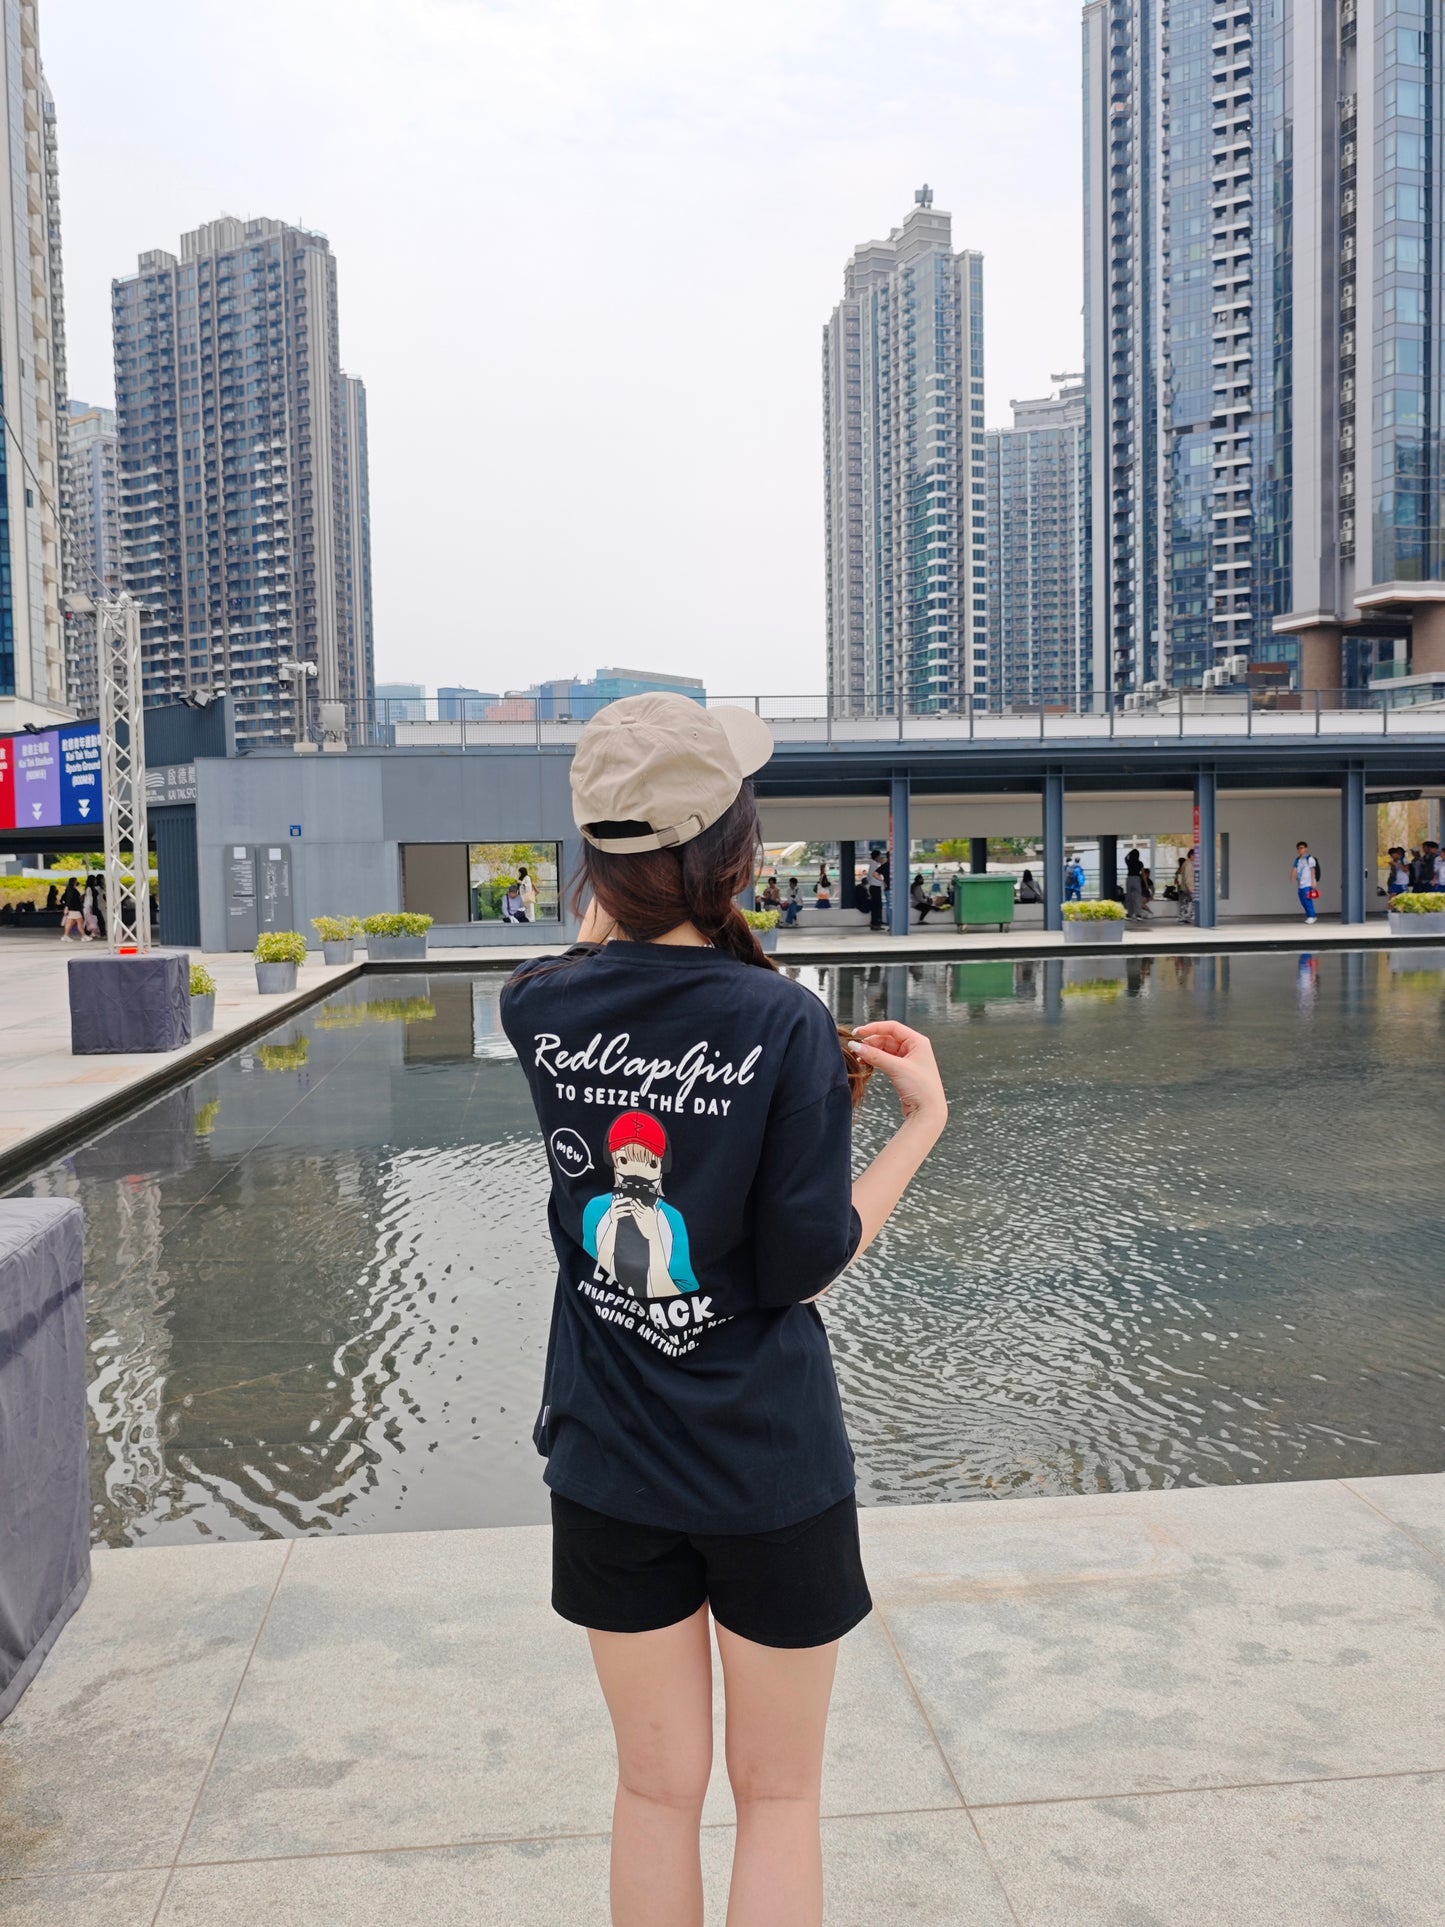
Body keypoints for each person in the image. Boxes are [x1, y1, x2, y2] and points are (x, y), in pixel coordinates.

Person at [498, 692, 948, 1927]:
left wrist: (630, 886)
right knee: (779, 1798)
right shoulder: (781, 1021)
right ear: (735, 855)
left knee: (652, 1791)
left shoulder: (535, 1004)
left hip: (607, 1458)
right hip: (764, 1465)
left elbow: (601, 950)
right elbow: (805, 1263)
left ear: (596, 860)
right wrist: (920, 1121)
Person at [1292, 840, 1320, 922]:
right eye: (1298, 848)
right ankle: (1310, 915)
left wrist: (1313, 881)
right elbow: (1296, 869)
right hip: (1301, 883)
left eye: (1302, 848)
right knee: (1303, 901)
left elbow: (1313, 870)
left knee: (1307, 900)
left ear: (1306, 849)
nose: (1300, 850)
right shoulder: (1298, 860)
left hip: (1307, 883)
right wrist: (1293, 877)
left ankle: (1312, 916)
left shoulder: (1310, 859)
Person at [865, 851, 885, 930]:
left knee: (875, 906)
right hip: (875, 887)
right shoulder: (875, 865)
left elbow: (868, 877)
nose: (881, 858)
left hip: (873, 886)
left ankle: (875, 922)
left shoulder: (872, 864)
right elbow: (877, 874)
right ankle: (876, 923)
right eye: (880, 856)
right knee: (877, 906)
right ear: (877, 857)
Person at [1124, 847, 1145, 920]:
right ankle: (1138, 914)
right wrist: (1145, 883)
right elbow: (1143, 874)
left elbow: (1125, 858)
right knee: (1138, 897)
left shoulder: (1129, 862)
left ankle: (1129, 914)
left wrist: (1129, 853)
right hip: (1137, 879)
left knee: (1128, 897)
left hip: (1129, 878)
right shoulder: (1140, 863)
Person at [1174, 851, 1195, 922]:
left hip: (1184, 887)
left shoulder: (1186, 863)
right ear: (1191, 855)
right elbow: (1188, 876)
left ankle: (1182, 917)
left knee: (1185, 902)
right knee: (1192, 901)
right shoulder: (1189, 864)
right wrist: (1191, 887)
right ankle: (1192, 915)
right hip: (1187, 887)